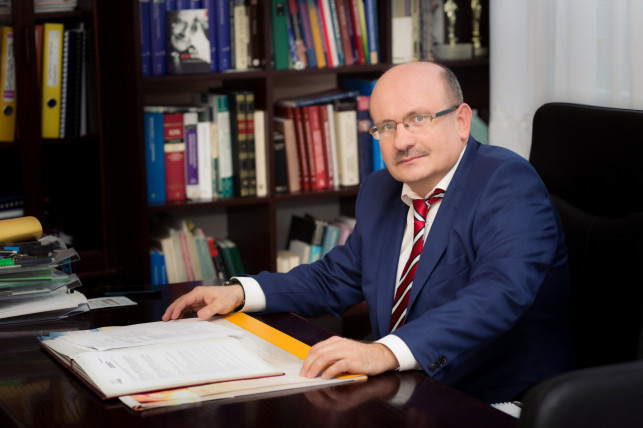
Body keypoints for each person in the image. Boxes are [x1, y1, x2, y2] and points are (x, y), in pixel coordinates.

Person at [163, 61, 573, 403]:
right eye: (386, 126)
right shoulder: (382, 189)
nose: (402, 141)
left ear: (462, 121)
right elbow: (335, 278)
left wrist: (383, 352)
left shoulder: (508, 183)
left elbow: (496, 295)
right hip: (407, 389)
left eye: (417, 119)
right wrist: (240, 292)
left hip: (495, 399)